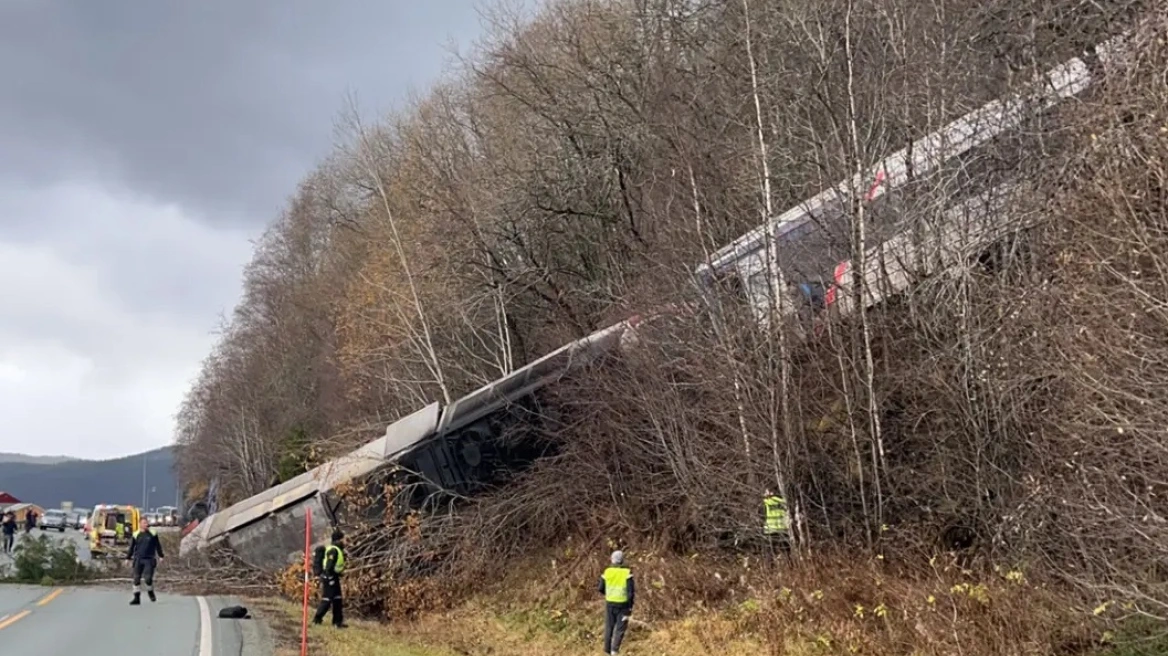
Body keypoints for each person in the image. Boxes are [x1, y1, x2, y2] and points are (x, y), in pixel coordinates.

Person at [598, 550, 635, 655]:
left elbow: (600, 588)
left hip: (610, 603)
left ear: (612, 560)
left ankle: (607, 651)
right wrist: (630, 606)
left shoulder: (607, 572)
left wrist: (608, 593)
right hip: (623, 605)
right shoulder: (627, 573)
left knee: (609, 627)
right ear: (622, 560)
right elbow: (631, 592)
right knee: (620, 628)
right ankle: (615, 651)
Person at [312, 529, 348, 628]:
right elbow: (329, 566)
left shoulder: (338, 550)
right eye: (344, 539)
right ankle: (317, 619)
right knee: (327, 599)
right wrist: (330, 578)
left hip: (334, 577)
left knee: (337, 599)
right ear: (339, 539)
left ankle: (337, 622)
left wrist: (339, 574)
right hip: (329, 578)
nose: (345, 541)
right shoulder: (333, 550)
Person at [126, 517, 164, 605]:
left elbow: (158, 545)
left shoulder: (153, 533)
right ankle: (136, 598)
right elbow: (132, 547)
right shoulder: (136, 534)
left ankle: (150, 592)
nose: (145, 524)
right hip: (138, 559)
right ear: (140, 524)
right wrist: (128, 558)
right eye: (143, 523)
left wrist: (161, 556)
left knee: (148, 578)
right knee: (136, 578)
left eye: (146, 523)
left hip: (149, 559)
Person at [762, 489, 790, 557]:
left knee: (770, 551)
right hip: (783, 529)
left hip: (771, 529)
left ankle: (770, 566)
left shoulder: (767, 502)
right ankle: (790, 564)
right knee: (786, 550)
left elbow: (762, 513)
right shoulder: (783, 502)